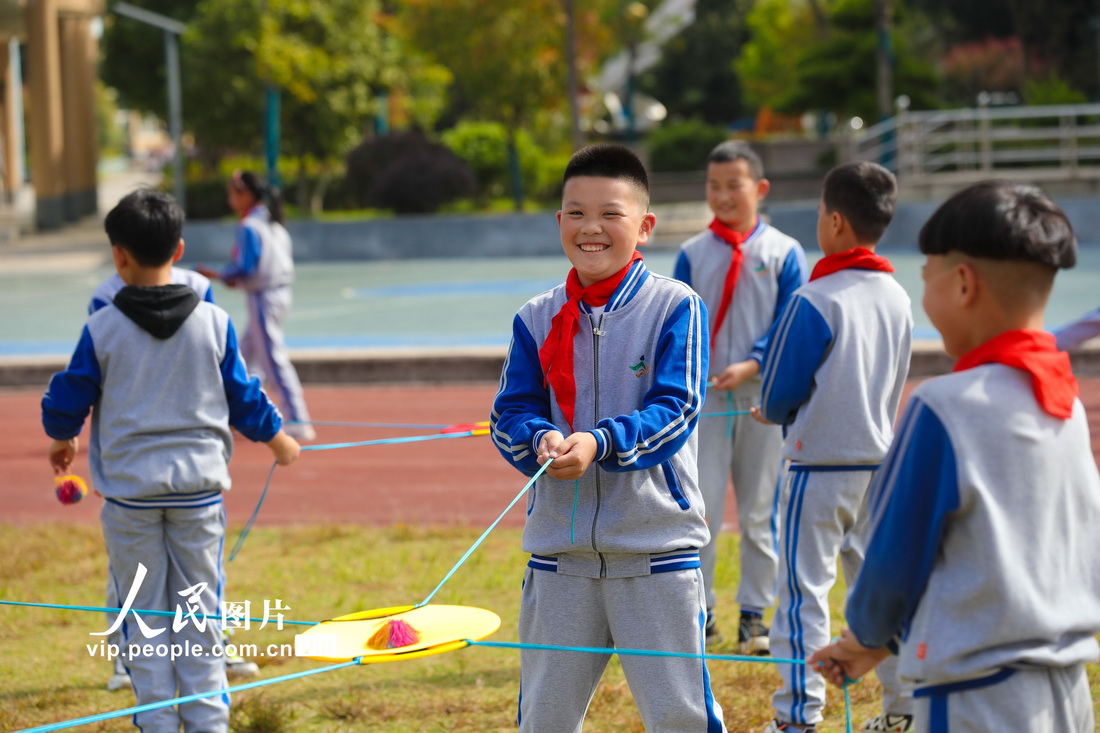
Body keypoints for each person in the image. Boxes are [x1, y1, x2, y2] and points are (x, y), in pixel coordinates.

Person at [810, 180, 1100, 732]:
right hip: (1067, 691)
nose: (925, 296)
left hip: (973, 697)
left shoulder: (944, 407)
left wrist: (865, 637)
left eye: (927, 279)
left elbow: (893, 556)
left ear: (963, 283)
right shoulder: (1062, 407)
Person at [42, 189, 300, 732]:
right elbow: (244, 396)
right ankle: (209, 723)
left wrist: (61, 437)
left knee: (145, 615)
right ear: (179, 249)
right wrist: (279, 440)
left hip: (131, 499)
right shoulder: (213, 322)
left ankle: (156, 722)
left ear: (118, 256)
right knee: (201, 612)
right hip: (198, 496)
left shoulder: (102, 327)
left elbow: (69, 394)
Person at [490, 144, 725, 732]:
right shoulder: (535, 317)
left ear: (644, 226)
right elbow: (509, 411)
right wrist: (541, 438)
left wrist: (599, 442)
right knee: (543, 719)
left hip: (656, 555)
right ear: (559, 222)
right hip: (559, 559)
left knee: (682, 717)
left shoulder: (676, 307)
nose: (591, 227)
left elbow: (677, 408)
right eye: (575, 212)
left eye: (610, 213)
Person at [752, 162, 913, 732]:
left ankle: (798, 718)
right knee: (880, 594)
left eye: (820, 213)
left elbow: (778, 391)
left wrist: (770, 411)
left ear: (837, 222)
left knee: (802, 596)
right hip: (880, 470)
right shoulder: (897, 295)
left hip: (818, 470)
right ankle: (903, 712)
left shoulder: (814, 298)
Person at [89, 270, 263, 691]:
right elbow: (94, 382)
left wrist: (270, 431)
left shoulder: (201, 295)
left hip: (189, 474)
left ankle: (213, 647)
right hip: (133, 475)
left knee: (201, 572)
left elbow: (225, 376)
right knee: (133, 575)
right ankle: (127, 660)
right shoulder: (105, 304)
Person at [673, 140, 808, 652]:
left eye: (735, 184)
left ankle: (754, 616)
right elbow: (678, 322)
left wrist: (753, 362)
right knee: (698, 507)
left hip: (762, 401)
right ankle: (698, 612)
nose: (723, 195)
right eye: (714, 185)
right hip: (704, 400)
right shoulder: (692, 253)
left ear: (760, 188)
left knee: (759, 509)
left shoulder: (783, 252)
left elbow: (790, 321)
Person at [197, 170, 314, 441]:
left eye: (233, 193)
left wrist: (214, 274)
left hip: (264, 296)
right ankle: (233, 414)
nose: (230, 199)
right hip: (276, 292)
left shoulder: (250, 226)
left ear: (246, 194)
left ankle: (298, 417)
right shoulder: (272, 222)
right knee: (244, 358)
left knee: (271, 359)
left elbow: (245, 268)